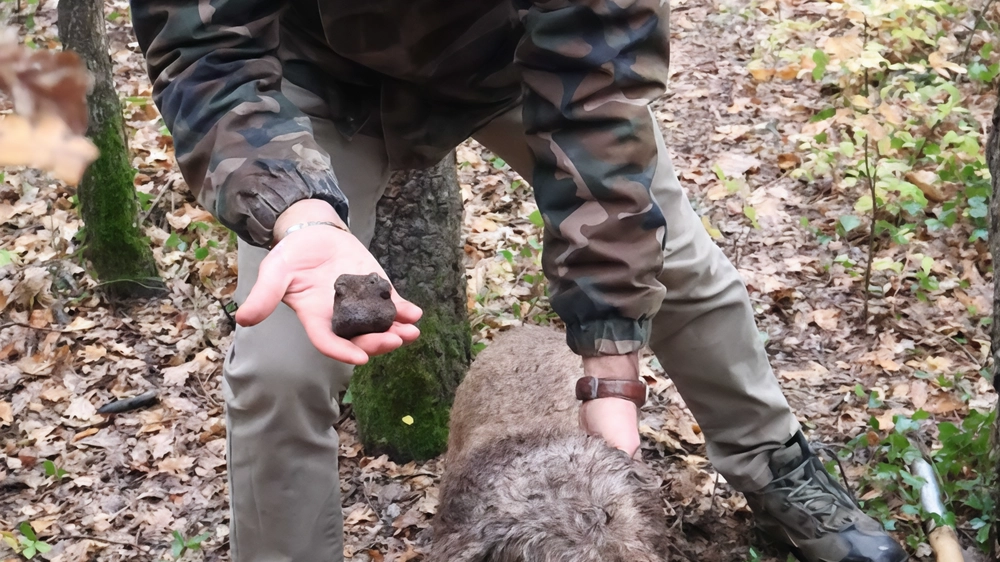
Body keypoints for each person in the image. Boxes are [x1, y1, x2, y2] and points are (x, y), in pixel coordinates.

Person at [129, 1, 907, 561]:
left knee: (674, 263)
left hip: (520, 55)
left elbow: (598, 81)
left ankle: (779, 470)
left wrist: (610, 373)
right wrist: (299, 217)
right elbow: (206, 53)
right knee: (277, 361)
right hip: (305, 72)